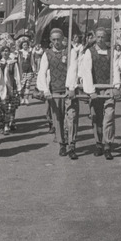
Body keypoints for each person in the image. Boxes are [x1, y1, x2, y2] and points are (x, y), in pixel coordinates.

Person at [37, 29, 79, 159]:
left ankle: (72, 144)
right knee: (58, 118)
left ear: (63, 39)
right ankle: (62, 143)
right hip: (55, 90)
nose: (56, 42)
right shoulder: (47, 54)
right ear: (51, 40)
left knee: (71, 117)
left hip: (68, 90)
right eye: (54, 40)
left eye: (58, 39)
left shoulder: (70, 52)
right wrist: (45, 90)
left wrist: (71, 87)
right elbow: (42, 72)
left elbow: (74, 69)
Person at [80, 28, 121, 160]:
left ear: (106, 38)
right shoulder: (89, 52)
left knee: (109, 116)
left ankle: (108, 144)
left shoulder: (112, 52)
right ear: (95, 38)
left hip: (108, 88)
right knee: (96, 117)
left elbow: (116, 69)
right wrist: (91, 91)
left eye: (103, 37)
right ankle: (98, 144)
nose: (100, 39)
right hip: (95, 89)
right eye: (98, 37)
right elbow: (86, 71)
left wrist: (116, 86)